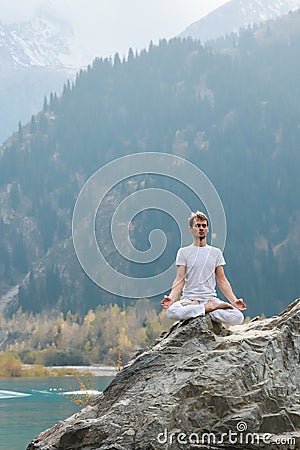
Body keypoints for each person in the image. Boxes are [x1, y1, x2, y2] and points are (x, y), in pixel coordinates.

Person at [161, 211, 246, 326]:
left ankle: (203, 308)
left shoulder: (216, 252)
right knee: (171, 312)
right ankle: (208, 309)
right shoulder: (184, 252)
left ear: (207, 229)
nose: (201, 228)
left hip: (210, 298)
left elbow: (222, 280)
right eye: (197, 225)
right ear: (191, 229)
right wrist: (171, 298)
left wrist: (234, 301)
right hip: (189, 300)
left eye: (204, 226)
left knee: (238, 317)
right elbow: (180, 279)